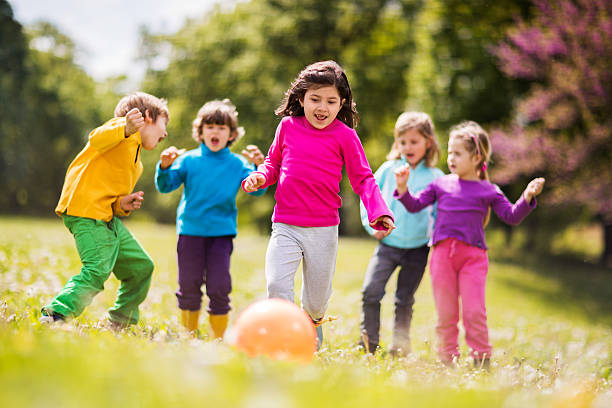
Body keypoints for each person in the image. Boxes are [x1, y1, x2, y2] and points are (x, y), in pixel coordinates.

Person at [242, 60, 395, 348]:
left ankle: (312, 329)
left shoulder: (346, 136)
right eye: (315, 99)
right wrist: (260, 177)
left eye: (330, 101)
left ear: (342, 104)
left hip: (323, 230)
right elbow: (272, 163)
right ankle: (284, 339)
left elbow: (363, 178)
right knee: (277, 285)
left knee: (315, 301)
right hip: (285, 224)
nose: (322, 107)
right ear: (301, 98)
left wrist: (379, 211)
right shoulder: (287, 127)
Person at [394, 120, 545, 367]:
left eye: (458, 153)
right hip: (442, 256)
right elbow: (415, 205)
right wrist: (403, 189)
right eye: (450, 152)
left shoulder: (489, 190)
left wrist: (527, 197)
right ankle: (446, 360)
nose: (451, 158)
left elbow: (511, 216)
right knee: (446, 314)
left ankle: (481, 360)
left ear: (477, 158)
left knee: (474, 313)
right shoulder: (440, 184)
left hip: (473, 259)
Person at [40, 92, 170, 327]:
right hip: (85, 212)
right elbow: (96, 138)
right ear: (148, 116)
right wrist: (126, 127)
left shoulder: (137, 163)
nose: (166, 133)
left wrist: (121, 204)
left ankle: (121, 321)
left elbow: (109, 195)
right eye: (164, 123)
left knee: (141, 267)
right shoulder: (120, 132)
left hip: (105, 216)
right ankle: (55, 315)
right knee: (97, 269)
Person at [155, 99, 266, 340]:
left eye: (222, 127)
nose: (215, 131)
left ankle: (218, 337)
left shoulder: (238, 164)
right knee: (188, 285)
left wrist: (259, 168)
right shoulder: (188, 161)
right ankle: (189, 334)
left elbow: (255, 188)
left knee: (219, 286)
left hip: (221, 235)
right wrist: (163, 167)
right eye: (210, 126)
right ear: (200, 131)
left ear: (231, 134)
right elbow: (165, 186)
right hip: (190, 232)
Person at [359, 112, 444, 356]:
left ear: (428, 142)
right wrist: (372, 226)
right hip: (388, 245)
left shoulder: (437, 178)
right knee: (371, 291)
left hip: (418, 249)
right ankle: (369, 343)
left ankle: (399, 347)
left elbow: (441, 214)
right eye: (402, 141)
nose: (408, 147)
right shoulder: (388, 169)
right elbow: (369, 197)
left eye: (414, 141)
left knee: (404, 299)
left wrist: (437, 240)